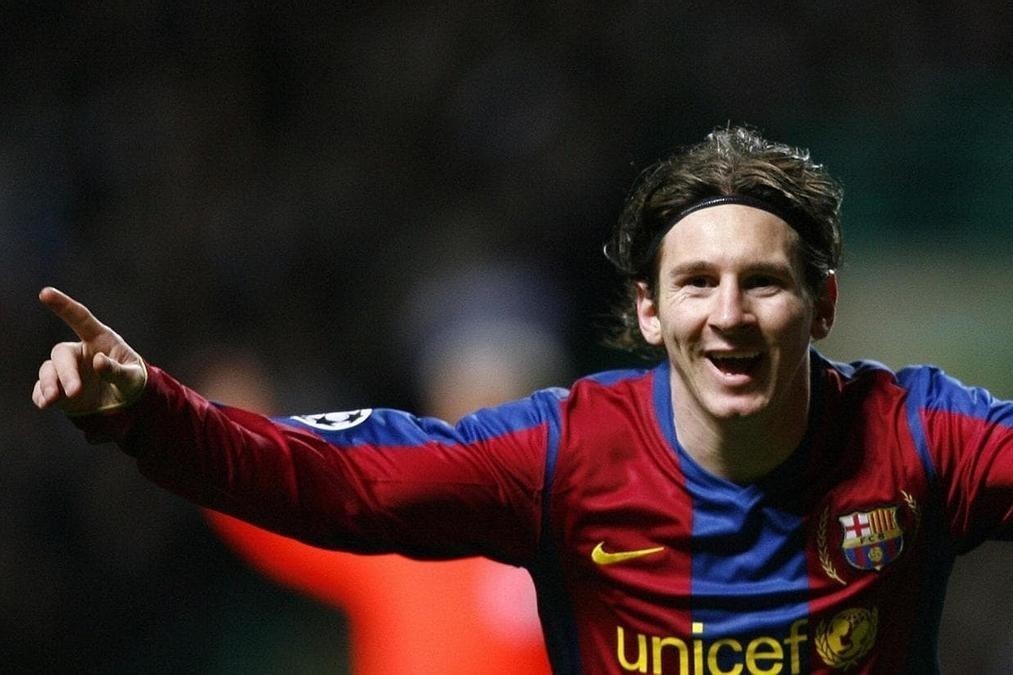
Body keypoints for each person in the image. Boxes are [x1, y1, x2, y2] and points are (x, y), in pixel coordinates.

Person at [33, 126, 1013, 674]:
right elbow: (330, 479)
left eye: (761, 282)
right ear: (648, 311)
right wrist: (149, 410)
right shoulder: (558, 457)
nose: (727, 314)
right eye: (695, 283)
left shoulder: (920, 437)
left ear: (822, 304)